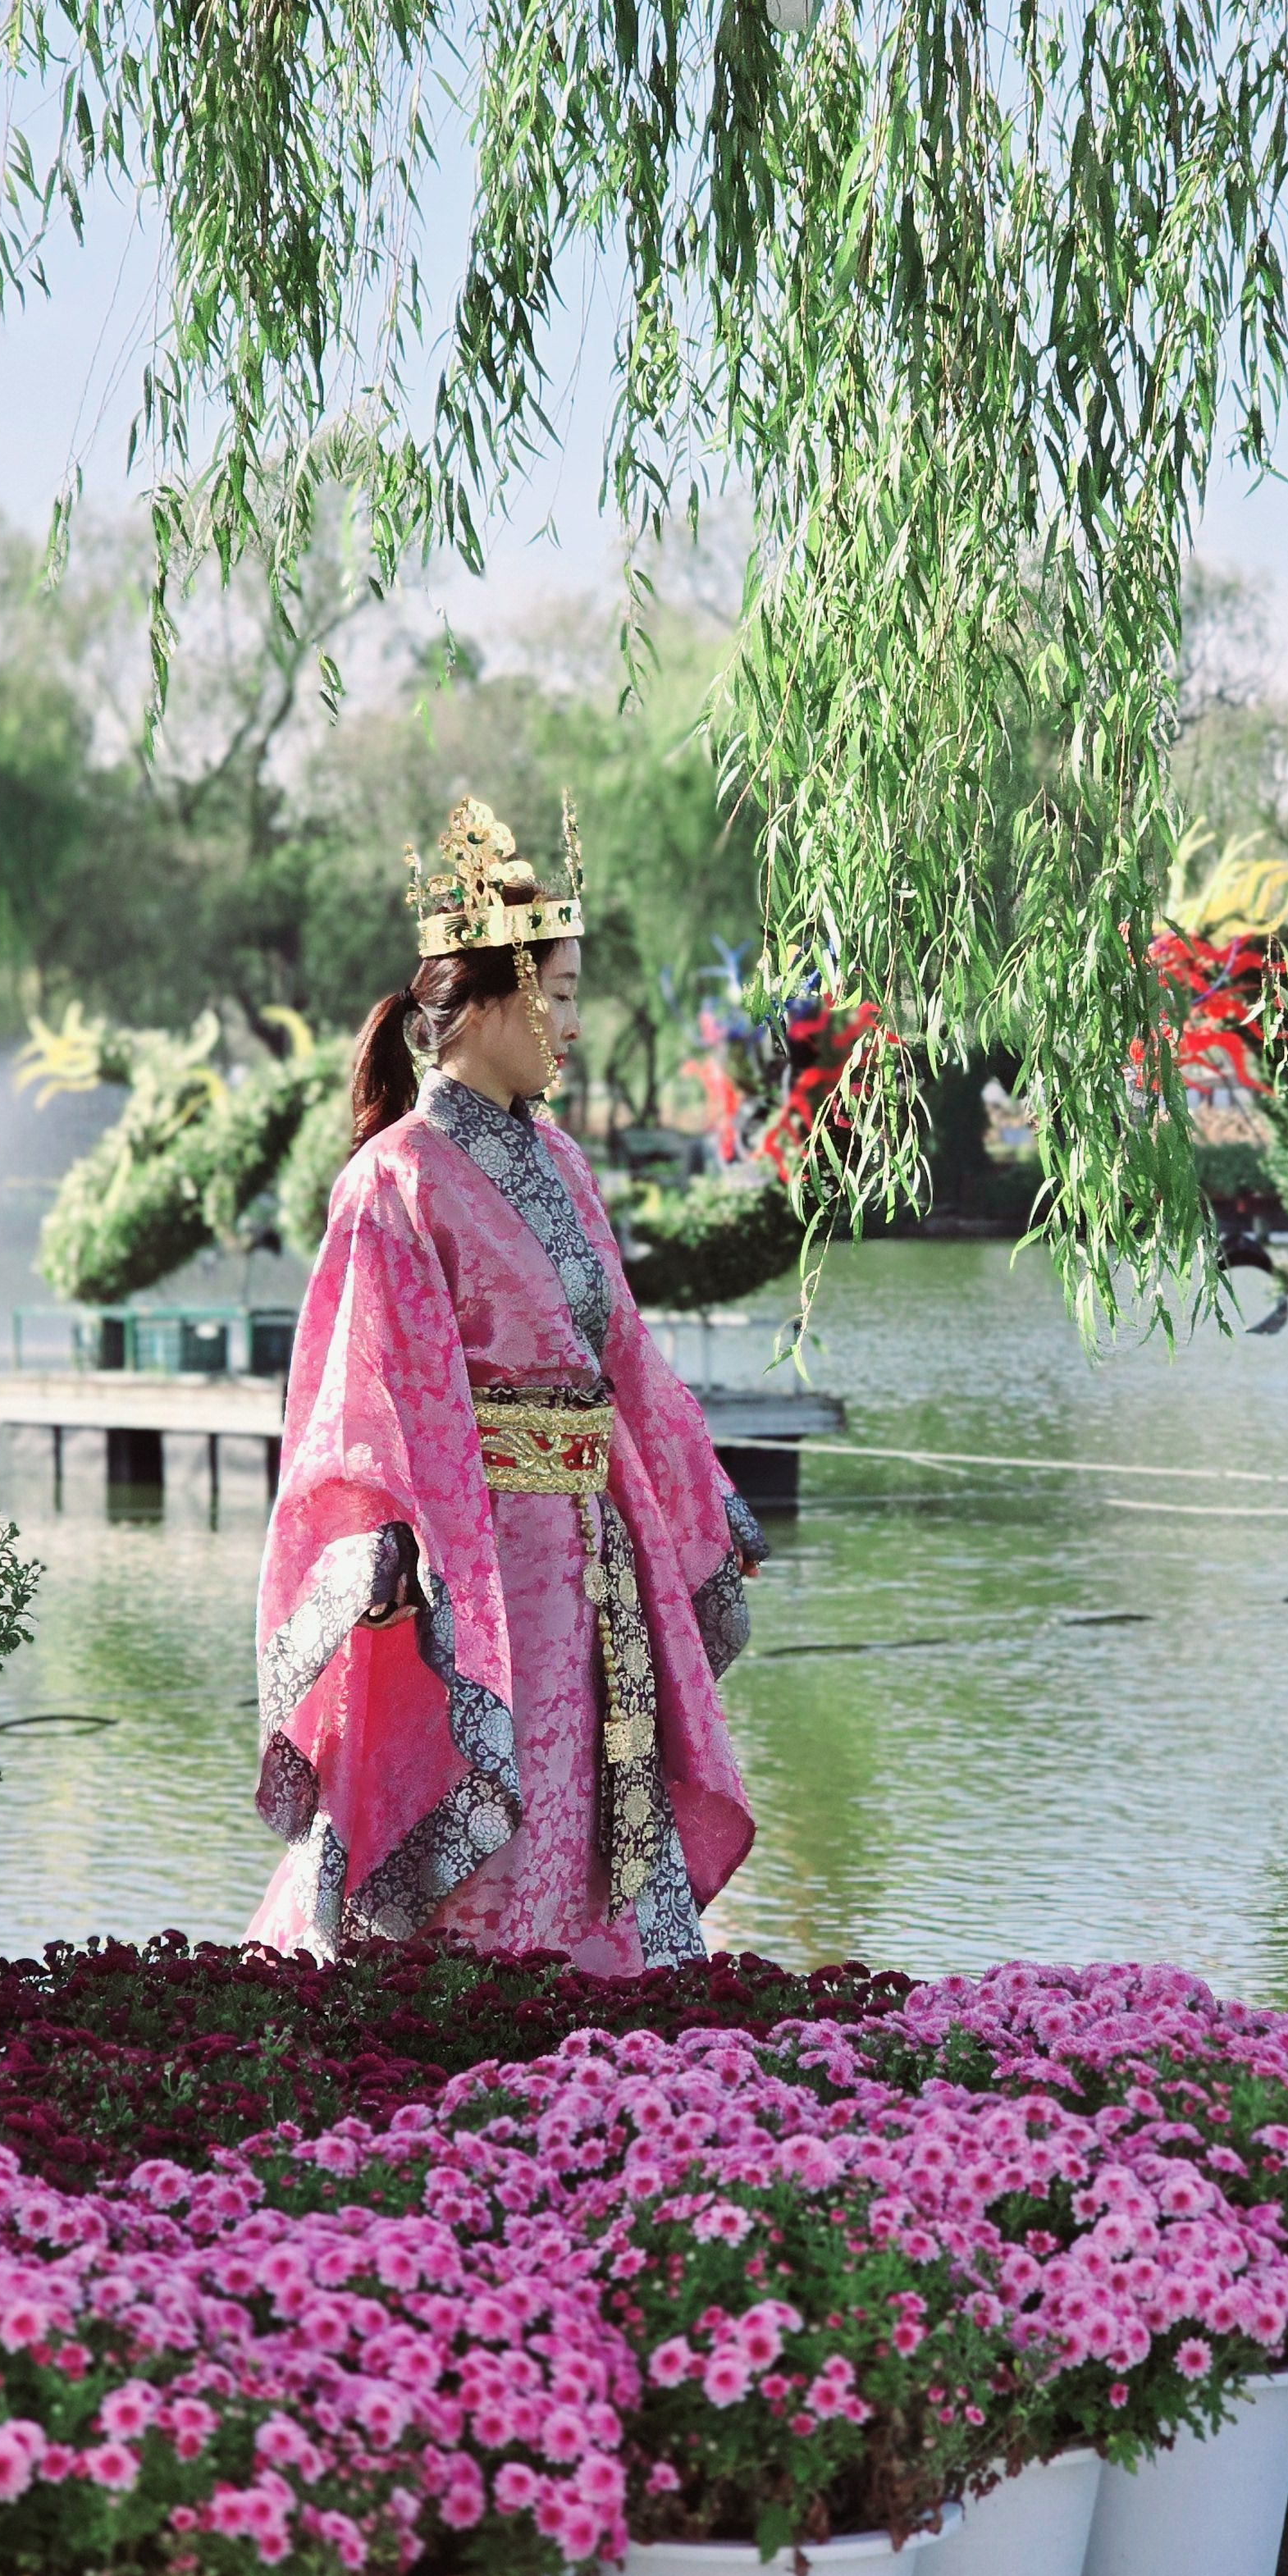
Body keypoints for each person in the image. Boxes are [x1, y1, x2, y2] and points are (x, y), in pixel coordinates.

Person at [246, 793, 762, 1967]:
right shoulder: (396, 1180)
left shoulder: (564, 1163)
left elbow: (624, 1356)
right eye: (561, 993)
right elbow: (364, 1386)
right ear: (486, 1002)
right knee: (490, 1790)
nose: (575, 1022)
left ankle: (583, 2021)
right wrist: (379, 1537)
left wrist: (705, 1496)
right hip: (472, 1560)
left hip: (592, 1553)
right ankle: (450, 2022)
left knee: (592, 1799)